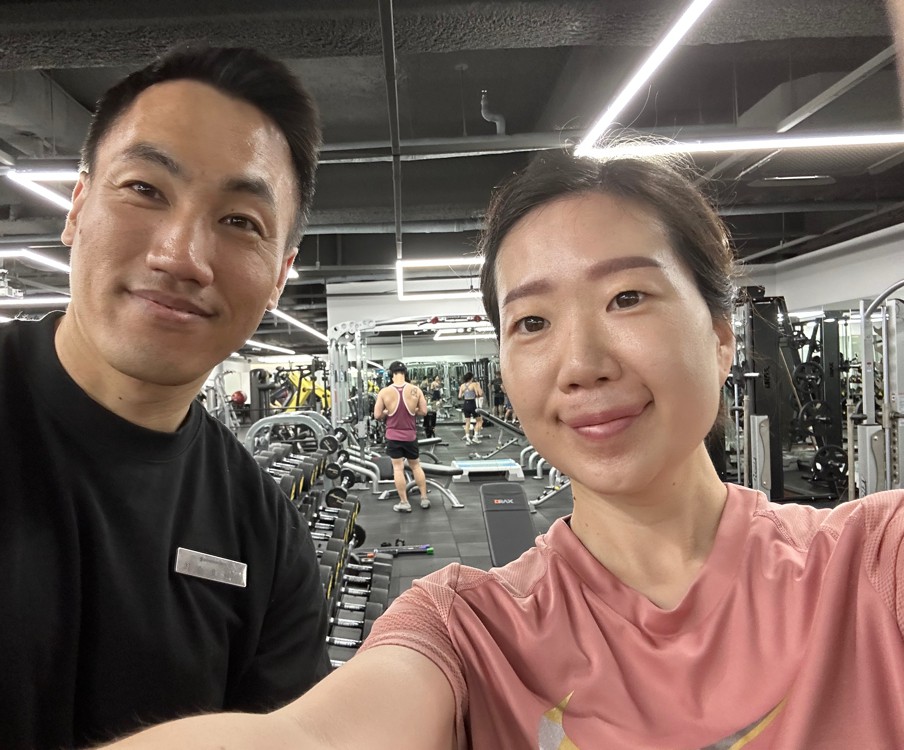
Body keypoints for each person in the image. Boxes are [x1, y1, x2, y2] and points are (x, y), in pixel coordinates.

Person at [100, 146, 904, 749]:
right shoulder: (465, 632)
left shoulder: (874, 565)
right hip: (406, 449)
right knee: (407, 470)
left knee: (407, 470)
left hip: (403, 439)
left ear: (723, 337)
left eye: (627, 297)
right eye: (532, 322)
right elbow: (312, 738)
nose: (582, 364)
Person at [0, 46, 332, 750]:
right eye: (144, 189)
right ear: (77, 208)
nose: (181, 256)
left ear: (280, 275)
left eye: (240, 222)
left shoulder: (268, 540)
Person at [374, 361, 430, 512]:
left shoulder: (384, 392)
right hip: (410, 436)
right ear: (405, 373)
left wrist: (387, 412)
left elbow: (377, 415)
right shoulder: (415, 390)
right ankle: (424, 498)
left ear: (391, 374)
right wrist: (413, 410)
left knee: (398, 468)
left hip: (393, 436)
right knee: (416, 466)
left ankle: (404, 502)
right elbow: (424, 411)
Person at [458, 371, 484, 444]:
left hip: (465, 404)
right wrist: (478, 386)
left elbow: (459, 396)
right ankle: (475, 437)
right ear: (471, 378)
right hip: (472, 404)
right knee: (480, 421)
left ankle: (467, 437)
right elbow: (479, 393)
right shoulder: (474, 384)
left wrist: (465, 393)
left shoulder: (462, 385)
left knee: (467, 422)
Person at [423, 373, 443, 438]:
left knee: (439, 403)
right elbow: (431, 389)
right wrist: (434, 389)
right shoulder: (433, 383)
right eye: (436, 377)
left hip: (438, 393)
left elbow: (440, 388)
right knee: (435, 403)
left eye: (438, 377)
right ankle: (436, 412)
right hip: (435, 393)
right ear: (435, 378)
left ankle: (438, 412)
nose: (437, 378)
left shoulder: (439, 382)